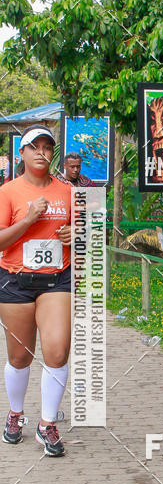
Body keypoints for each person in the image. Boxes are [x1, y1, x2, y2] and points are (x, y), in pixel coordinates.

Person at [0, 124, 72, 456]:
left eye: (47, 147)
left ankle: (47, 424)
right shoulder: (8, 192)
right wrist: (28, 219)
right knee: (20, 357)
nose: (42, 152)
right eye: (35, 146)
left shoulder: (68, 191)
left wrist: (76, 235)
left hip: (56, 281)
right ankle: (16, 414)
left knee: (57, 351)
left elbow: (87, 233)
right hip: (15, 281)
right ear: (23, 152)